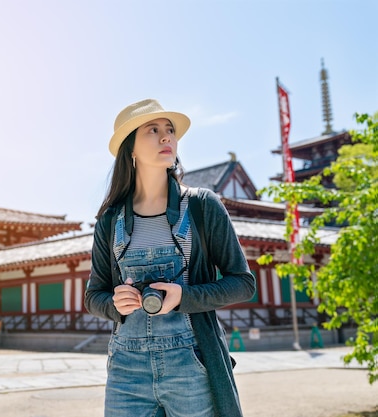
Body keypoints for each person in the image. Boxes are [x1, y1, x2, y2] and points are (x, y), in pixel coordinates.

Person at [84, 98, 256, 417]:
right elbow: (94, 296)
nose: (166, 137)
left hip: (190, 360)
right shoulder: (109, 220)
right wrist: (114, 303)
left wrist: (184, 297)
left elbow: (243, 284)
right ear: (130, 149)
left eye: (170, 130)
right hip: (126, 366)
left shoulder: (202, 206)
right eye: (153, 130)